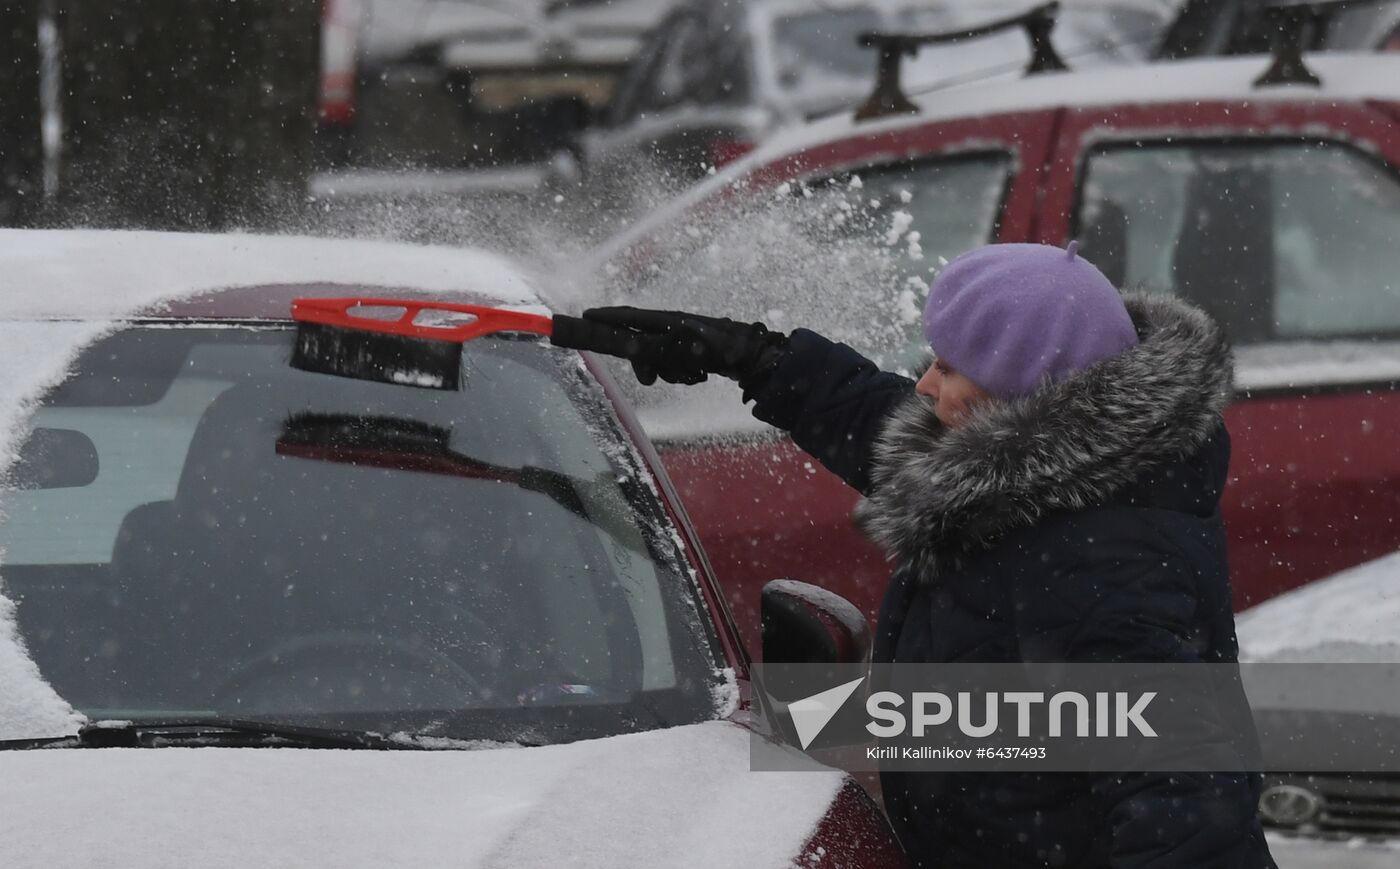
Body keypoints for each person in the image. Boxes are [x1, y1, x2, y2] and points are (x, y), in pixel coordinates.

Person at [551, 242, 1276, 868]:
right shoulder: (1044, 477)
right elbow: (890, 422)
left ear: (1025, 399)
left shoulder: (1104, 562)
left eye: (952, 368)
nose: (926, 383)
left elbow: (1186, 793)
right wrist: (755, 357)